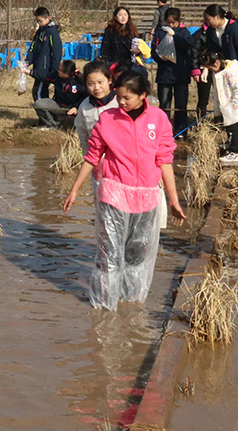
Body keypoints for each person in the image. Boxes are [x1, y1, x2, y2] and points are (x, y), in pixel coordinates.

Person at [62, 71, 185, 311]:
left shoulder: (158, 119)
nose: (121, 102)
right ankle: (104, 310)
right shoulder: (108, 119)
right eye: (118, 97)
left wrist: (174, 200)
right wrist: (74, 189)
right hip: (114, 194)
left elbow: (165, 161)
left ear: (143, 95)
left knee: (136, 254)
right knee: (110, 255)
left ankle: (130, 305)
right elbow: (92, 156)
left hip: (146, 196)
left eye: (127, 98)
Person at [199, 49, 238, 165]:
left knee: (235, 127)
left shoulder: (231, 73)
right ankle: (231, 143)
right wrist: (217, 111)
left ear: (217, 63)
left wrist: (235, 105)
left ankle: (234, 152)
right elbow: (216, 93)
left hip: (236, 106)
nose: (210, 71)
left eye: (210, 68)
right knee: (228, 127)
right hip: (226, 106)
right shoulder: (217, 73)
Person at [151, 7, 193, 136]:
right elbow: (154, 50)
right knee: (164, 103)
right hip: (165, 73)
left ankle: (181, 129)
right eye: (168, 23)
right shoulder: (160, 32)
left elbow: (188, 46)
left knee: (181, 103)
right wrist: (161, 58)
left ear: (178, 21)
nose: (170, 25)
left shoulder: (184, 32)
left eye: (173, 23)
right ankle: (164, 130)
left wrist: (176, 36)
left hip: (180, 73)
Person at [75, 61, 120, 156]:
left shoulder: (119, 103)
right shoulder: (85, 106)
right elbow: (82, 133)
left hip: (119, 158)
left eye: (100, 82)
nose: (96, 88)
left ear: (110, 80)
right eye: (91, 84)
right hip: (96, 158)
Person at [34, 60, 87, 129]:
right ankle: (52, 125)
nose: (58, 70)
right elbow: (44, 76)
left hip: (73, 108)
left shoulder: (80, 82)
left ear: (66, 74)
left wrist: (76, 107)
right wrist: (31, 72)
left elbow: (86, 98)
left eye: (60, 70)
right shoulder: (56, 76)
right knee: (38, 104)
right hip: (58, 104)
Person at [26, 7, 63, 103]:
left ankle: (47, 117)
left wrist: (54, 69)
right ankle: (46, 116)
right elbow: (33, 48)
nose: (39, 23)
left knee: (38, 94)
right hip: (39, 68)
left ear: (48, 18)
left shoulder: (52, 33)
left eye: (40, 21)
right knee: (39, 93)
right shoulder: (39, 32)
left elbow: (56, 52)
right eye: (37, 21)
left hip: (46, 70)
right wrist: (28, 61)